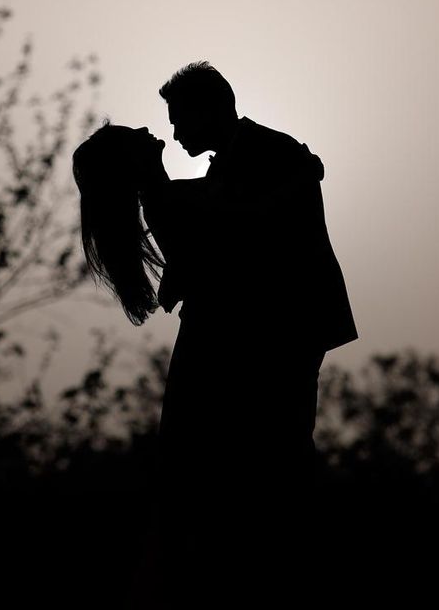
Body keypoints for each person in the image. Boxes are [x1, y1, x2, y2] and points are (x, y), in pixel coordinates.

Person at [71, 62, 358, 607]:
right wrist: (305, 171)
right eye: (159, 128)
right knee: (257, 466)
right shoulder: (199, 184)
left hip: (266, 334)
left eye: (179, 120)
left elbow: (228, 212)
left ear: (211, 109)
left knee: (251, 465)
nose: (168, 133)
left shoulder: (241, 165)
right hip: (249, 338)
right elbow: (230, 220)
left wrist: (302, 170)